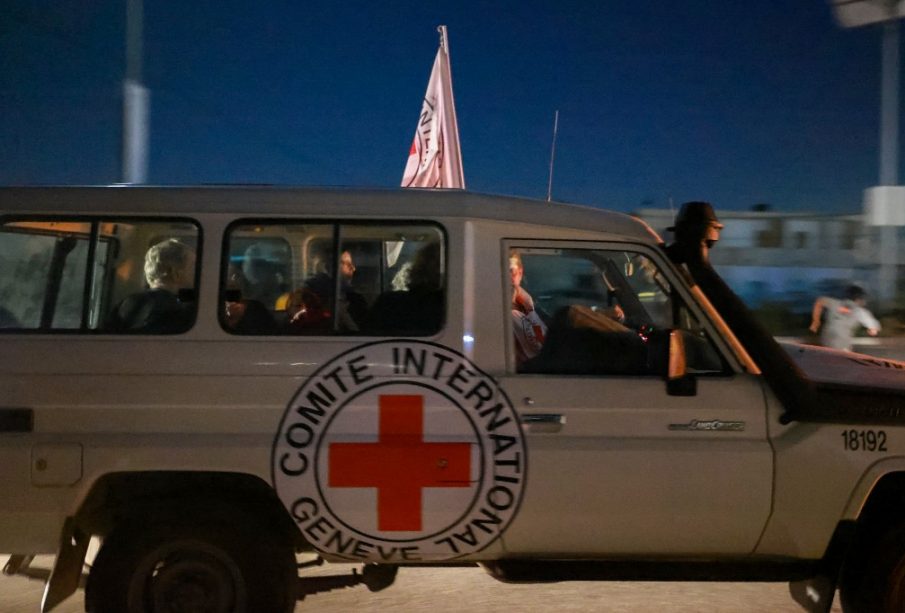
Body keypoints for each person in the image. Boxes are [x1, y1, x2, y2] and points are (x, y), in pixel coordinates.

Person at [108, 239, 196, 333]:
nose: (198, 273)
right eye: (193, 267)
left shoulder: (125, 304)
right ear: (175, 274)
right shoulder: (182, 313)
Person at [810, 285, 881, 351]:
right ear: (858, 299)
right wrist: (873, 330)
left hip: (826, 339)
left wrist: (815, 321)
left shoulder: (835, 303)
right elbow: (874, 328)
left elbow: (819, 301)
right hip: (842, 343)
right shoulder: (859, 311)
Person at [509, 250, 547, 366]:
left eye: (511, 271)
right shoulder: (498, 312)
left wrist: (530, 311)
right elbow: (542, 349)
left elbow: (542, 342)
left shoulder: (526, 305)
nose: (506, 277)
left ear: (520, 272)